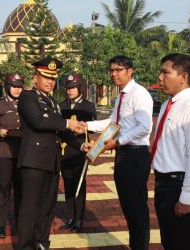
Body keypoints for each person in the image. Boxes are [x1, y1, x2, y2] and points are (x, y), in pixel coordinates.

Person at [81, 55, 153, 250]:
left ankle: (140, 246)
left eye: (118, 70)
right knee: (128, 206)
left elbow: (144, 127)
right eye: (111, 70)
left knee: (137, 207)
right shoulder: (121, 96)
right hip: (123, 154)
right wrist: (85, 125)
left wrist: (118, 141)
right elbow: (112, 123)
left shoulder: (139, 94)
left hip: (135, 154)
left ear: (130, 71)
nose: (114, 74)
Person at [16, 57, 87, 250]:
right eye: (45, 77)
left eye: (53, 79)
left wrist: (81, 146)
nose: (49, 82)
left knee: (47, 206)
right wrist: (67, 123)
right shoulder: (27, 97)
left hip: (52, 161)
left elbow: (60, 131)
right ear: (35, 77)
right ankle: (25, 246)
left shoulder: (53, 102)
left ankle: (41, 242)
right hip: (34, 161)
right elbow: (39, 121)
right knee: (30, 206)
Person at [152, 53, 190, 250]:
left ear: (183, 77)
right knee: (169, 240)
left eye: (165, 72)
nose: (160, 77)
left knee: (180, 242)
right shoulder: (169, 104)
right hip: (164, 182)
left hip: (179, 184)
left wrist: (187, 196)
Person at [0, 73, 24, 238]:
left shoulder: (27, 104)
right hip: (5, 153)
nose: (17, 89)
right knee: (3, 189)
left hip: (23, 152)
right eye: (14, 86)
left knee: (21, 190)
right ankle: (1, 225)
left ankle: (20, 223)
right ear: (8, 87)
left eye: (19, 86)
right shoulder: (0, 105)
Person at [59, 74, 97, 233]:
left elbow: (94, 127)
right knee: (68, 184)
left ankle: (79, 219)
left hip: (81, 150)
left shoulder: (88, 106)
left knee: (79, 185)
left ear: (79, 88)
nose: (70, 91)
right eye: (68, 88)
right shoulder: (61, 106)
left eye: (73, 88)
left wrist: (86, 131)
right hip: (64, 150)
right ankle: (70, 218)